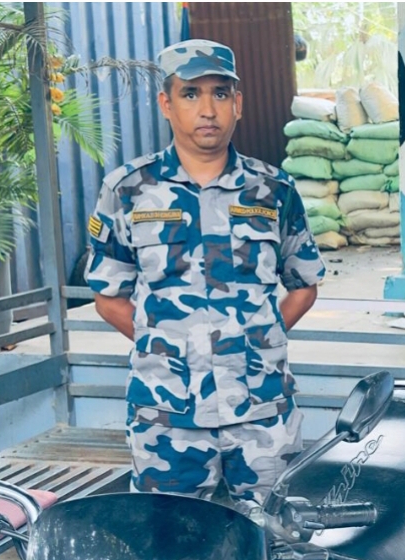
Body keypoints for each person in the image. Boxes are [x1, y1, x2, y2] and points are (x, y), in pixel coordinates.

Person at [84, 40, 325, 509]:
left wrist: (254, 340)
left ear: (238, 103)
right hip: (167, 415)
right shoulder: (129, 189)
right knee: (170, 540)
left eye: (220, 93)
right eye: (191, 94)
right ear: (166, 104)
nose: (207, 109)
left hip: (261, 413)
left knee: (273, 538)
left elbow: (303, 286)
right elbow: (108, 298)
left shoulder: (273, 190)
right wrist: (167, 343)